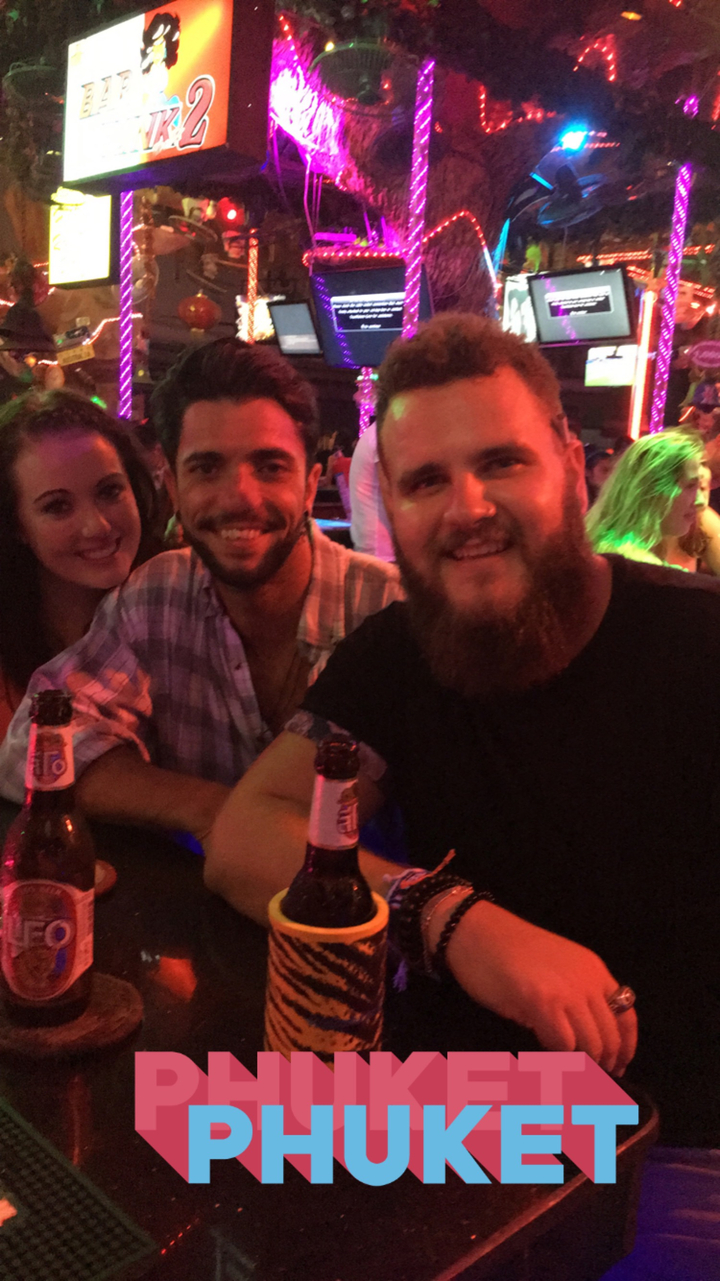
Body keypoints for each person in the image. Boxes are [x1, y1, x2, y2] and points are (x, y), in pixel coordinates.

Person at [206, 313, 720, 1146]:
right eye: (426, 482)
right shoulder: (396, 655)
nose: (467, 510)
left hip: (676, 1147)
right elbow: (244, 835)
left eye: (501, 462)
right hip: (457, 1127)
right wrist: (451, 918)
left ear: (568, 459)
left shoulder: (698, 647)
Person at [0, 339, 401, 841]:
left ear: (310, 483)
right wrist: (225, 814)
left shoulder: (390, 611)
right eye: (206, 468)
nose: (239, 497)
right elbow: (32, 745)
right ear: (172, 485)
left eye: (270, 466)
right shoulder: (154, 599)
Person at [0, 389, 160, 737]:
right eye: (57, 506)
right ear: (17, 525)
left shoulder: (181, 612)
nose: (98, 526)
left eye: (109, 491)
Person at [586, 428, 715, 571]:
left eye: (701, 488)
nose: (699, 501)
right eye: (690, 486)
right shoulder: (640, 570)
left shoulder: (608, 544)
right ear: (651, 488)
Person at [349, 420, 394, 562]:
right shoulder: (385, 434)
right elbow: (394, 498)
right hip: (381, 548)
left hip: (374, 544)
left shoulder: (377, 431)